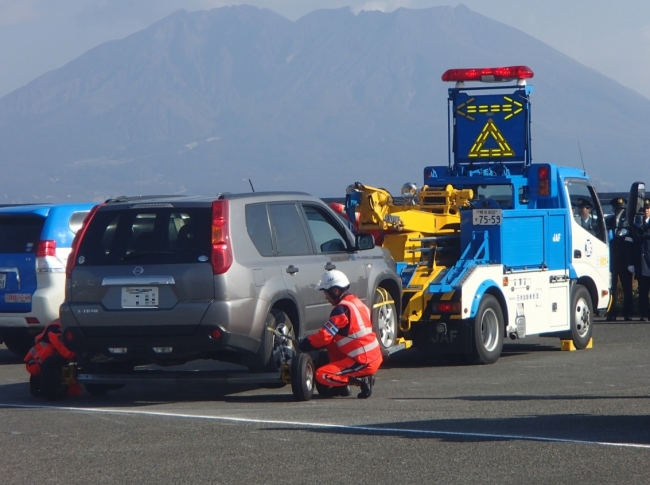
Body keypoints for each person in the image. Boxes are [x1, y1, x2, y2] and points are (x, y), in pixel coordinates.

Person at [299, 270, 382, 398]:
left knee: (322, 375)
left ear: (335, 291)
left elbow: (323, 336)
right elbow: (330, 338)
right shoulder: (356, 302)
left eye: (326, 293)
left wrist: (305, 343)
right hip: (372, 355)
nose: (326, 297)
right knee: (332, 342)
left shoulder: (341, 310)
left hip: (363, 361)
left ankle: (362, 381)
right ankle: (341, 388)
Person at [24, 319, 81, 397]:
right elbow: (67, 353)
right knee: (68, 361)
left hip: (44, 363)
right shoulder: (56, 329)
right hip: (42, 364)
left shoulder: (64, 323)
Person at [606, 197, 634, 321]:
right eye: (617, 209)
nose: (619, 212)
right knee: (611, 288)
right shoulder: (609, 221)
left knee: (627, 288)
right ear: (613, 209)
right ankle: (611, 312)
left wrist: (631, 262)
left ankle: (628, 312)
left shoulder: (629, 222)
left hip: (624, 260)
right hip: (612, 260)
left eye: (622, 209)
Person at [628, 200, 650, 321]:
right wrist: (632, 263)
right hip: (641, 264)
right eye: (644, 209)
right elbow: (634, 246)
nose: (646, 211)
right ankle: (644, 313)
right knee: (643, 291)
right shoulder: (638, 226)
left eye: (648, 208)